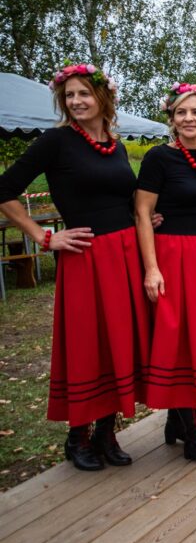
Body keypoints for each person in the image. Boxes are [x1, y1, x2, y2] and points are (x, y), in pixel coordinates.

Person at [0, 62, 148, 471]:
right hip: (85, 257)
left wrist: (145, 218)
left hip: (124, 254)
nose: (77, 101)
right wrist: (45, 236)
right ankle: (77, 435)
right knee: (87, 344)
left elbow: (125, 196)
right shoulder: (55, 142)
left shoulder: (116, 146)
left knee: (118, 340)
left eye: (84, 93)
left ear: (103, 98)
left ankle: (106, 430)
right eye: (69, 96)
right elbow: (5, 191)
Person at [136, 81, 196, 467]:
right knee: (178, 338)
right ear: (171, 119)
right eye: (180, 112)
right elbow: (143, 213)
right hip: (172, 253)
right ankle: (194, 431)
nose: (188, 118)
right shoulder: (159, 158)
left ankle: (178, 420)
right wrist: (152, 268)